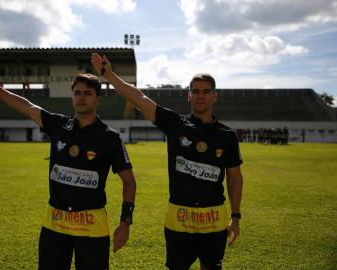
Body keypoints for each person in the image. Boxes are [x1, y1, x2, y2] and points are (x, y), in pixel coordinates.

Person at [0, 66, 136, 270]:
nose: (81, 98)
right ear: (72, 97)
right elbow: (26, 106)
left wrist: (125, 222)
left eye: (87, 94)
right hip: (55, 223)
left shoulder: (110, 138)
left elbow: (129, 181)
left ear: (98, 99)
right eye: (77, 93)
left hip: (91, 225)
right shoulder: (58, 125)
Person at [91, 53, 243, 270]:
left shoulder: (226, 135)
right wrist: (109, 74)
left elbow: (235, 178)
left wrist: (235, 216)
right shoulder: (175, 124)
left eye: (206, 92)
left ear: (214, 96)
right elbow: (139, 98)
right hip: (178, 220)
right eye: (196, 91)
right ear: (189, 96)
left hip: (214, 219)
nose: (201, 96)